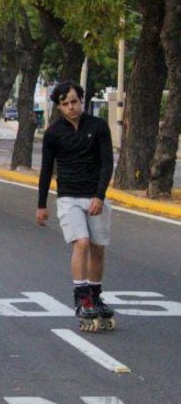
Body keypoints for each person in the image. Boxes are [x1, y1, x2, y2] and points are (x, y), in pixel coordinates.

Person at [36, 80, 115, 332]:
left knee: (98, 248)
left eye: (75, 101)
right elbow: (47, 169)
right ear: (59, 106)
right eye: (65, 103)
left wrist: (99, 196)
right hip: (68, 196)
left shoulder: (99, 127)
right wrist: (41, 204)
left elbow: (106, 163)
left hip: (95, 196)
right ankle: (81, 296)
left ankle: (95, 293)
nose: (71, 107)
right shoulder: (53, 133)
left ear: (82, 100)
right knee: (81, 242)